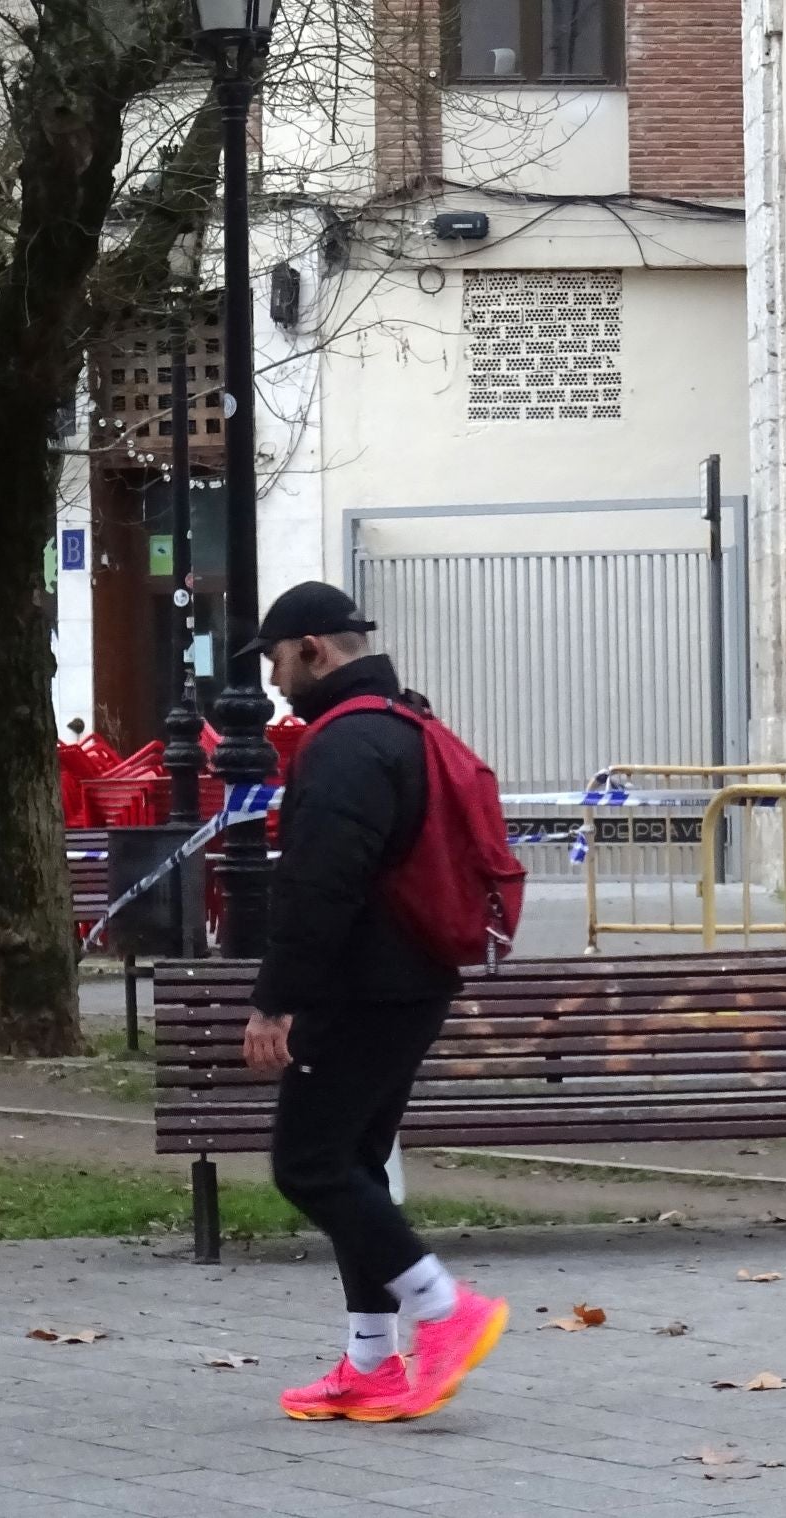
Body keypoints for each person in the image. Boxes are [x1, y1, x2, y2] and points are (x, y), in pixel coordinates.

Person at [239, 581, 509, 1423]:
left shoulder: (347, 745)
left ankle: (444, 1310)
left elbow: (320, 887)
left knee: (309, 1164)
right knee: (354, 1167)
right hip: (414, 978)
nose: (275, 683)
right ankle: (372, 1364)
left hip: (360, 987)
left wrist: (276, 1002)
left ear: (314, 648)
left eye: (277, 662)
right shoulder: (407, 723)